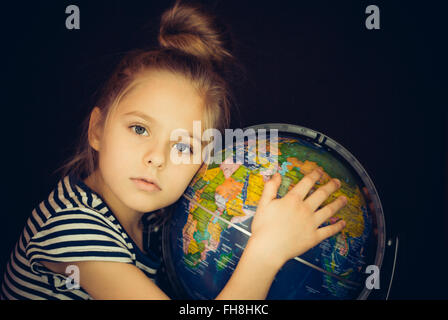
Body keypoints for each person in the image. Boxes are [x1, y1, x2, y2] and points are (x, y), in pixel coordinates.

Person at [1, 0, 347, 300]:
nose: (157, 157)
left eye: (183, 145)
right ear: (97, 130)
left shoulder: (151, 220)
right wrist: (267, 252)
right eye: (139, 129)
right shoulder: (72, 228)